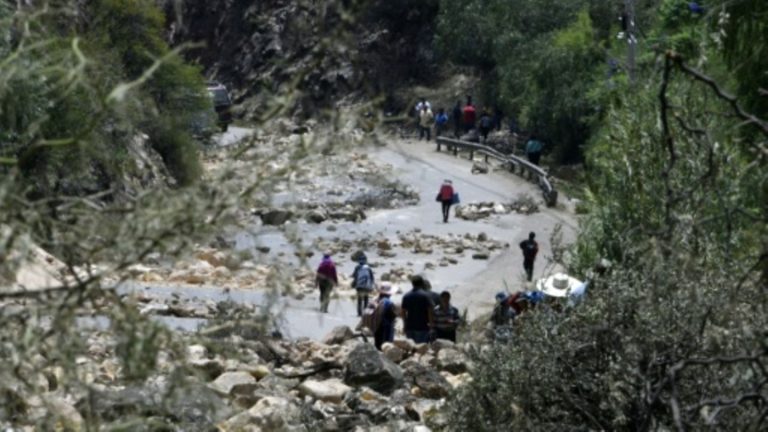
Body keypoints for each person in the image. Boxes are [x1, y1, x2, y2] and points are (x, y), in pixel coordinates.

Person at [401, 275, 434, 343]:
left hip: (409, 327)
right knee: (420, 349)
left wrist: (405, 324)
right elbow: (430, 311)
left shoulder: (406, 296)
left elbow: (403, 312)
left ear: (412, 284)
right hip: (422, 327)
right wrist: (431, 326)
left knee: (411, 349)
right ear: (422, 283)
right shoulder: (426, 296)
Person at [369, 282, 397, 350]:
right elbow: (393, 315)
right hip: (387, 328)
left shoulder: (374, 300)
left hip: (376, 326)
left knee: (378, 344)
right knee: (386, 346)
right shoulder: (388, 302)